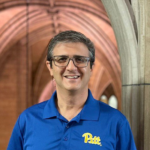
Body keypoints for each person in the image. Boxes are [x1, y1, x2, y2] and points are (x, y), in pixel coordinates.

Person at [7, 30, 137, 150]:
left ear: (91, 67)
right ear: (50, 67)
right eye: (62, 59)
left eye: (80, 59)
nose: (71, 67)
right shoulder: (27, 120)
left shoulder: (116, 122)